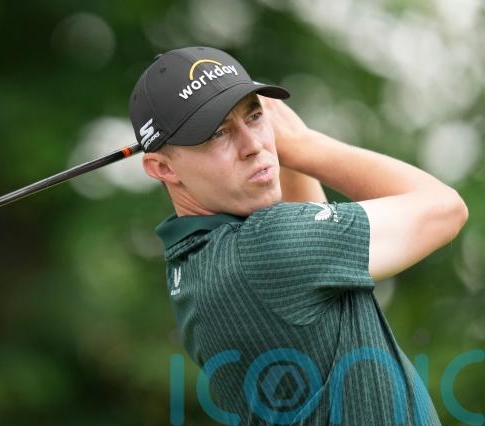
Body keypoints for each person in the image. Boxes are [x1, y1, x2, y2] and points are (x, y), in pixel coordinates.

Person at [129, 46, 468, 425]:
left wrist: (281, 159)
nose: (254, 145)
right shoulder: (265, 249)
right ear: (162, 168)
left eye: (255, 116)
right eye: (218, 133)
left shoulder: (193, 263)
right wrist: (304, 145)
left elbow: (311, 241)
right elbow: (445, 208)